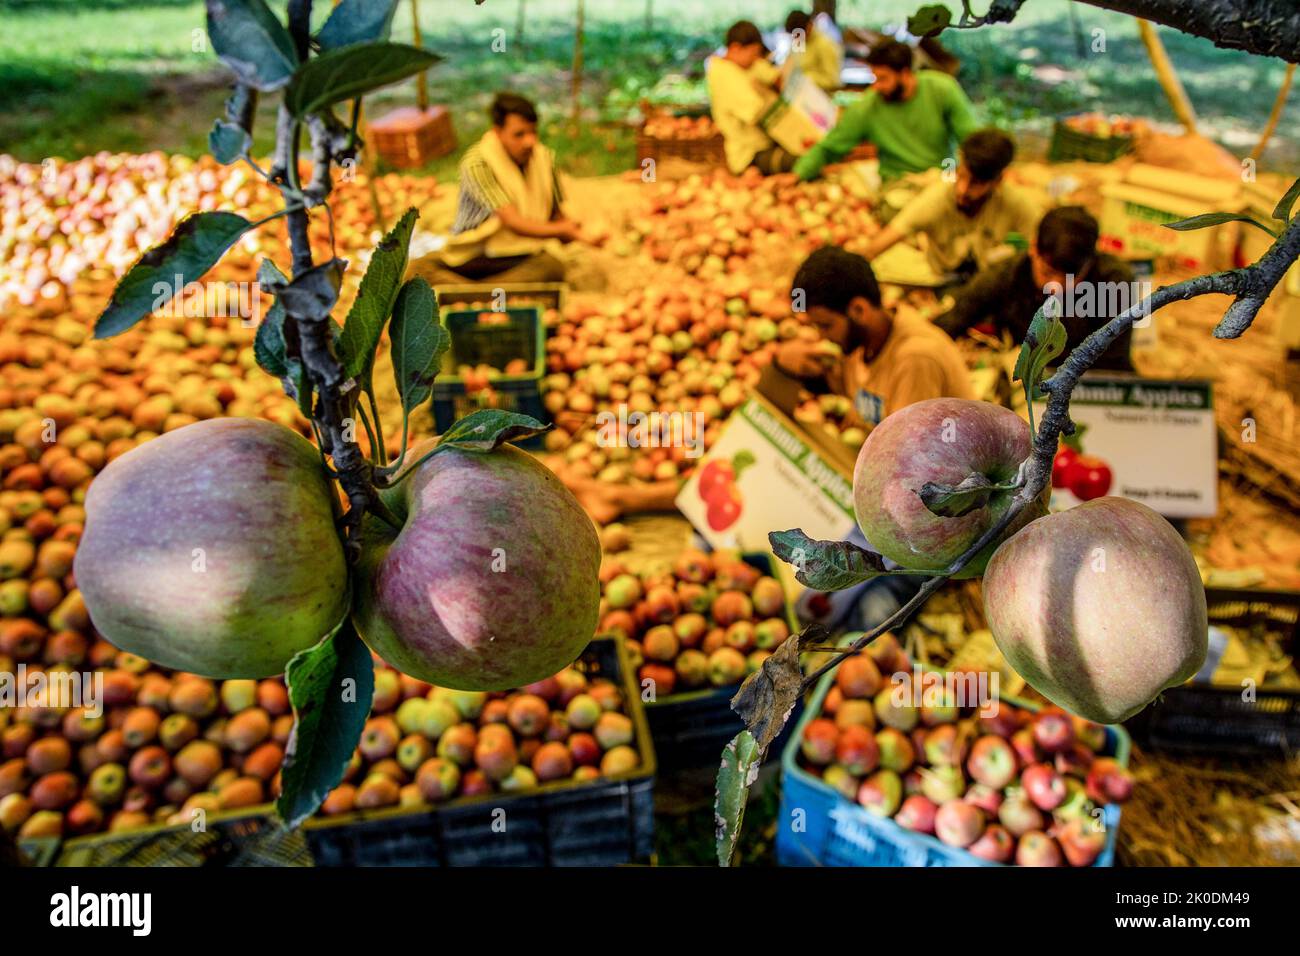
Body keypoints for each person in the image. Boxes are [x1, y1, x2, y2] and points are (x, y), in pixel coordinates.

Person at [767, 245, 973, 426]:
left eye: (825, 325)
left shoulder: (916, 359)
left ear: (859, 310)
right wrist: (791, 364)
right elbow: (857, 387)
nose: (821, 336)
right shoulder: (867, 339)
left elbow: (909, 455)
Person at [408, 93, 585, 286]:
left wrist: (580, 233)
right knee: (417, 270)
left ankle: (475, 294)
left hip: (519, 253)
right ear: (498, 131)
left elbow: (557, 216)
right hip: (477, 252)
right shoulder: (478, 163)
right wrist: (566, 230)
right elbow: (512, 221)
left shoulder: (543, 159)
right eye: (519, 134)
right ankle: (493, 296)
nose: (529, 142)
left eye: (533, 132)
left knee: (552, 268)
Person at [935, 206, 1137, 372]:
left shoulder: (1114, 283)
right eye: (1047, 273)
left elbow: (1113, 361)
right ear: (1033, 248)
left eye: (1069, 278)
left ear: (1090, 263)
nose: (1056, 287)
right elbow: (950, 323)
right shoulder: (1007, 276)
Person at [789, 38, 978, 184]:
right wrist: (798, 174)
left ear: (905, 73)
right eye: (874, 78)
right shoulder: (868, 106)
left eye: (883, 78)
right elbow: (830, 147)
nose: (876, 86)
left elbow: (971, 138)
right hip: (898, 184)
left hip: (942, 177)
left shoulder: (941, 89)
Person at [862, 128, 1042, 281]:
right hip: (942, 278)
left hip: (984, 276)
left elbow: (1045, 241)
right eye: (961, 175)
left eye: (975, 183)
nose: (962, 190)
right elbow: (877, 246)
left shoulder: (1013, 201)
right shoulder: (936, 199)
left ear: (997, 182)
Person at [707, 20, 797, 176]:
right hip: (749, 155)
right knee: (800, 160)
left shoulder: (742, 66)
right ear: (735, 48)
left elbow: (771, 75)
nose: (756, 59)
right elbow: (756, 110)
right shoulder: (724, 74)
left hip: (766, 144)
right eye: (753, 54)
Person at [784, 9, 843, 92]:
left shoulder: (825, 44)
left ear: (809, 26)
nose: (796, 38)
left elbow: (834, 81)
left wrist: (806, 79)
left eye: (798, 34)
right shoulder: (799, 41)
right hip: (800, 94)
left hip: (821, 98)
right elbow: (793, 64)